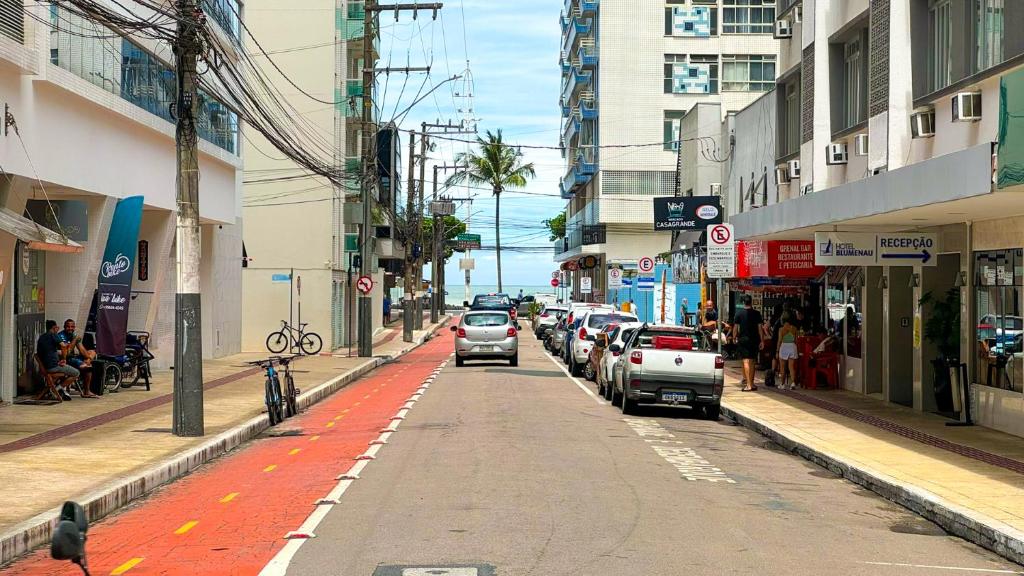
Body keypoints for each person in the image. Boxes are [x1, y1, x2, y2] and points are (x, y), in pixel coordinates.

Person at [36, 320, 79, 401]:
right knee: (76, 373)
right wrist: (64, 359)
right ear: (54, 328)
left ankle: (55, 389)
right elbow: (63, 346)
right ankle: (57, 389)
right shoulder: (53, 335)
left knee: (67, 370)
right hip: (53, 367)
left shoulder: (41, 337)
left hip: (45, 366)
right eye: (56, 328)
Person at [731, 295, 764, 391]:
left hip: (743, 339)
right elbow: (760, 329)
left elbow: (735, 328)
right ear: (751, 302)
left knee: (746, 361)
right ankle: (752, 383)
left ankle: (748, 384)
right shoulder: (757, 314)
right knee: (753, 361)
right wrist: (762, 340)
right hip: (755, 340)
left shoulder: (739, 313)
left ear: (743, 303)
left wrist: (734, 338)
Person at [58, 319, 97, 397]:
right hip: (64, 359)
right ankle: (86, 391)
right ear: (64, 327)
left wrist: (88, 359)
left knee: (92, 352)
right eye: (68, 327)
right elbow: (67, 352)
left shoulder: (74, 335)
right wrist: (75, 340)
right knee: (88, 368)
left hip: (72, 357)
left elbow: (82, 350)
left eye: (72, 327)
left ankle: (87, 363)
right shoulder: (61, 336)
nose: (70, 328)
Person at [777, 311, 800, 390]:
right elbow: (796, 341)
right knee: (791, 367)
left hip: (784, 347)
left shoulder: (781, 329)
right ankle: (793, 383)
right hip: (792, 347)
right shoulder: (794, 328)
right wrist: (798, 350)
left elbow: (780, 340)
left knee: (782, 367)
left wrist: (777, 351)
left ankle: (782, 384)